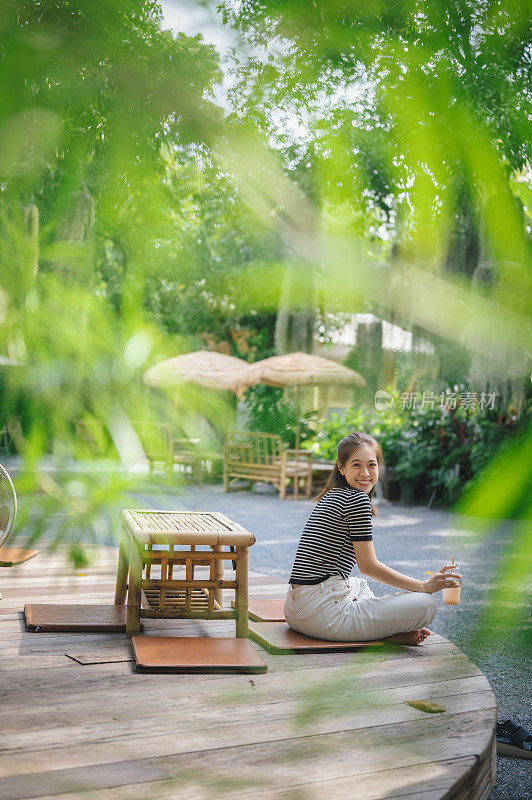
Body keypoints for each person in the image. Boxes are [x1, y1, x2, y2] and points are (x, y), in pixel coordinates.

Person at [284, 431, 462, 645]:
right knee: (426, 603)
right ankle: (385, 632)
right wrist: (423, 585)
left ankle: (384, 631)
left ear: (379, 467)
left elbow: (362, 572)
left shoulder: (332, 495)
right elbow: (369, 566)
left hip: (295, 611)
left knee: (358, 584)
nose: (365, 473)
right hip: (324, 618)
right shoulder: (357, 499)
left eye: (372, 465)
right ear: (341, 468)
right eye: (356, 465)